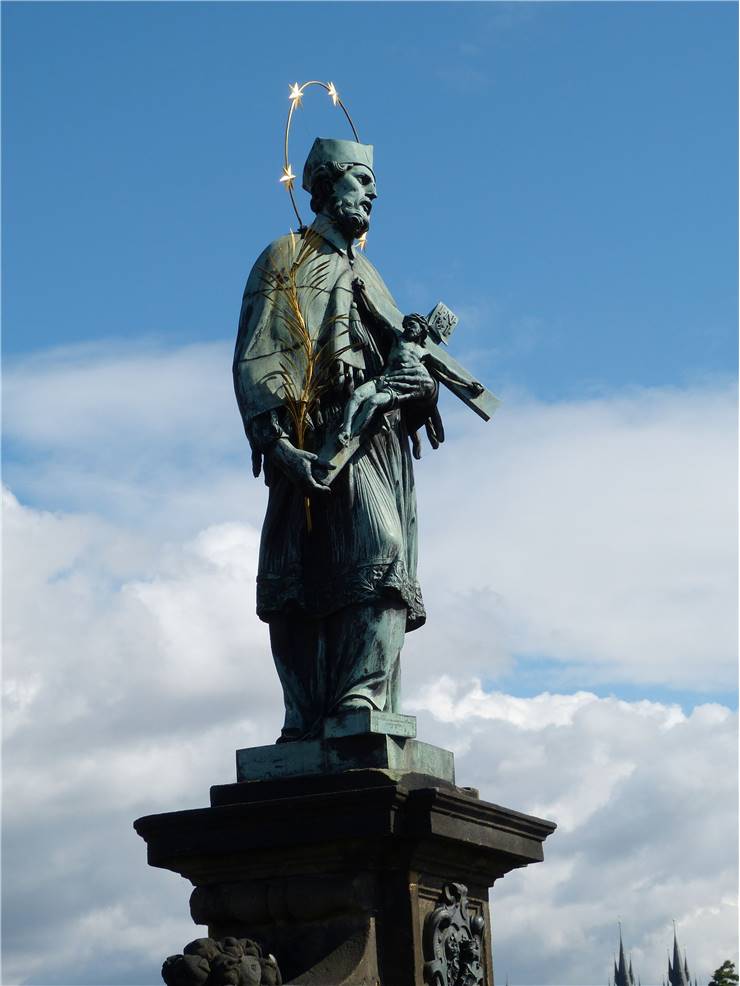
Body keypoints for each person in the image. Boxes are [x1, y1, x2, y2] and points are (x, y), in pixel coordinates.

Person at [233, 138, 442, 742]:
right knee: (296, 573)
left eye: (372, 181)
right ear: (324, 186)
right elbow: (258, 352)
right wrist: (275, 441)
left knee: (382, 556)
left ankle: (361, 696)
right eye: (359, 179)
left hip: (375, 445)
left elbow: (401, 365)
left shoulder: (370, 274)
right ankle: (305, 713)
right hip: (310, 437)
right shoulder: (285, 259)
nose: (372, 192)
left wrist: (417, 385)